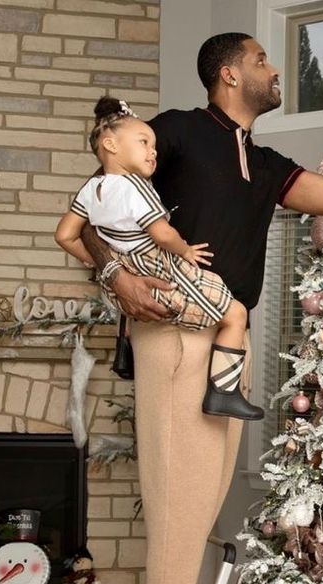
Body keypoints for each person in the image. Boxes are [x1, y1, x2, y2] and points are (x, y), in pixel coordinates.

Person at [79, 33, 323, 584]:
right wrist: (116, 276)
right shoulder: (176, 133)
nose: (275, 69)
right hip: (173, 329)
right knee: (181, 499)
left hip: (228, 337)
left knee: (197, 505)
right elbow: (92, 211)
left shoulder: (263, 159)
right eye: (261, 61)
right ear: (227, 73)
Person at [55, 96, 263, 422]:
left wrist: (105, 263)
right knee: (235, 313)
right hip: (161, 267)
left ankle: (223, 391)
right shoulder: (134, 188)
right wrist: (185, 250)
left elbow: (65, 235)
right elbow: (162, 233)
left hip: (128, 277)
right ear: (110, 144)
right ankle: (224, 391)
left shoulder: (91, 190)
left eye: (153, 145)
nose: (152, 151)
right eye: (143, 142)